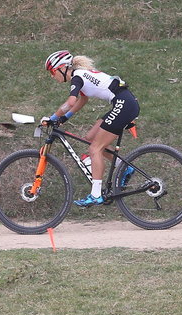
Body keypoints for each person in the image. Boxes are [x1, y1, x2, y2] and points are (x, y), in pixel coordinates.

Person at [41, 50, 140, 206]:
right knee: (90, 139)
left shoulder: (77, 77)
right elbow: (82, 101)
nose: (52, 76)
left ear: (62, 68)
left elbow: (71, 102)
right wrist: (63, 119)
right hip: (123, 102)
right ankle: (124, 167)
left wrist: (52, 118)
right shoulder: (80, 75)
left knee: (95, 149)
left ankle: (95, 195)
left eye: (52, 72)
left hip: (124, 104)